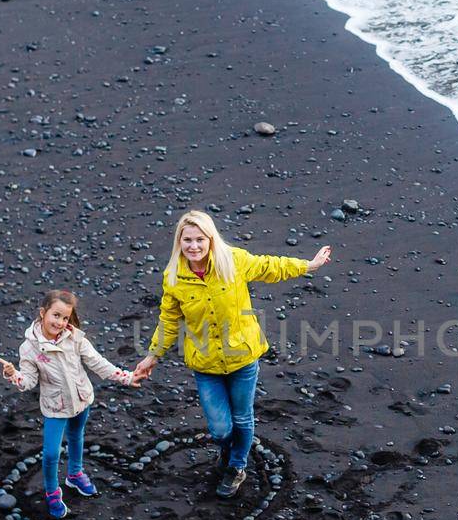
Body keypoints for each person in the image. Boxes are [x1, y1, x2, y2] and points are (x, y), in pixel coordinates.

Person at [132, 211, 331, 497]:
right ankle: (227, 452)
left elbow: (270, 267)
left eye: (200, 239)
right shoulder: (174, 277)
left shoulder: (233, 261)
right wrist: (152, 356)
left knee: (242, 419)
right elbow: (169, 320)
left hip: (242, 358)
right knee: (220, 430)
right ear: (179, 242)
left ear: (210, 238)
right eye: (187, 240)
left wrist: (308, 266)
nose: (194, 246)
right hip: (206, 363)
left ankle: (236, 466)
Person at [0, 289, 139, 518]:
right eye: (56, 315)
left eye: (65, 318)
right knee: (51, 453)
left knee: (77, 437)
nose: (60, 322)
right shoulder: (29, 348)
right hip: (55, 407)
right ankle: (52, 492)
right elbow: (29, 382)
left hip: (81, 399)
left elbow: (98, 363)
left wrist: (127, 377)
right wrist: (13, 374)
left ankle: (75, 474)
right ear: (43, 313)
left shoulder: (75, 338)